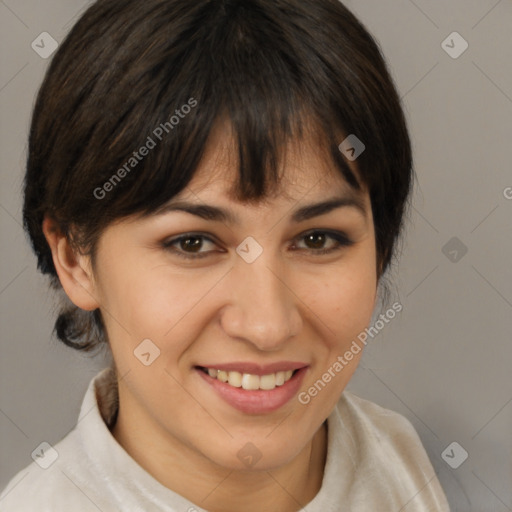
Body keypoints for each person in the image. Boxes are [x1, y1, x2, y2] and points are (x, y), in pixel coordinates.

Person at [0, 0, 450, 510]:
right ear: (76, 259)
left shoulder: (396, 458)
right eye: (192, 243)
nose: (267, 326)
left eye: (318, 239)